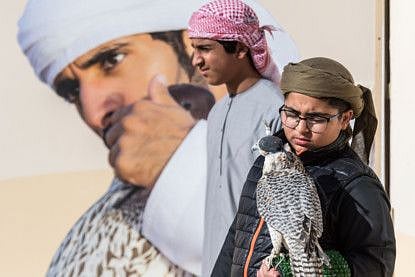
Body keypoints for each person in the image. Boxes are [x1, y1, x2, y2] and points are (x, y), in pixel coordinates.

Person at [17, 0, 299, 275]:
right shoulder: (105, 214)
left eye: (111, 59)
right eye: (72, 91)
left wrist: (178, 166)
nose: (93, 111)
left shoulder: (289, 124)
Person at [213, 57, 396, 276]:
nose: (301, 128)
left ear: (345, 119)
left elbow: (377, 265)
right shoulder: (266, 161)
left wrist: (307, 270)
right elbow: (238, 237)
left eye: (315, 118)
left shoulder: (357, 185)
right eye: (291, 114)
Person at [187, 1, 299, 275]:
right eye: (194, 49)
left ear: (240, 48)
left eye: (205, 48)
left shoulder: (275, 110)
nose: (196, 60)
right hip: (217, 261)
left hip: (255, 263)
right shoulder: (217, 111)